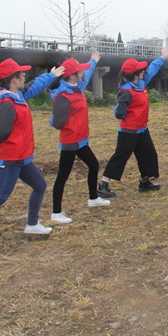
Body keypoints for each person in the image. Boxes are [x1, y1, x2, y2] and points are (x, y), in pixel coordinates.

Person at [0, 59, 65, 260]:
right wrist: (5, 143)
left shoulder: (17, 95)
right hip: (11, 158)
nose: (24, 76)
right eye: (21, 74)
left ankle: (32, 224)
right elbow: (0, 133)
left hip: (23, 157)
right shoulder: (5, 103)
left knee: (40, 185)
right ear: (13, 80)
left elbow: (33, 85)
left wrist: (51, 76)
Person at [97, 47, 168, 197]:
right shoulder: (126, 91)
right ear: (135, 75)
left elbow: (151, 70)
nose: (143, 71)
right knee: (120, 157)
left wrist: (162, 57)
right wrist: (127, 114)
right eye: (140, 70)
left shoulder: (140, 84)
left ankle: (145, 181)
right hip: (129, 131)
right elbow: (119, 113)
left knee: (148, 155)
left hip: (142, 129)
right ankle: (103, 185)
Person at [49, 53, 110, 225]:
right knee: (62, 176)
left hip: (81, 140)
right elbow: (57, 122)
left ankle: (93, 198)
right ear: (72, 76)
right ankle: (56, 212)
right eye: (79, 72)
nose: (82, 73)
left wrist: (93, 61)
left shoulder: (77, 87)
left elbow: (88, 73)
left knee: (94, 165)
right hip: (70, 141)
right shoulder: (63, 95)